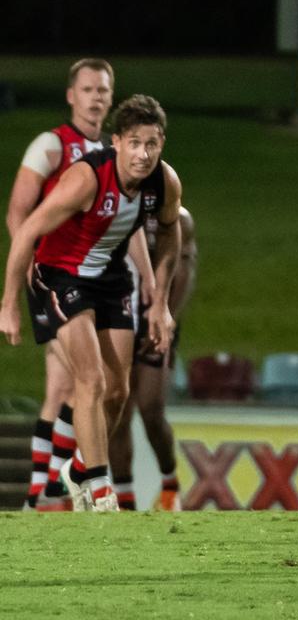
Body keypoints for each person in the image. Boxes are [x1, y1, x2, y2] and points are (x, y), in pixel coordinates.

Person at [2, 94, 183, 513]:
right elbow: (28, 231)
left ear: (161, 144)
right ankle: (101, 491)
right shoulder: (85, 179)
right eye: (135, 143)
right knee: (91, 380)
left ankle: (79, 468)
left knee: (119, 391)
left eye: (152, 144)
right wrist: (9, 302)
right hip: (59, 274)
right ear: (117, 141)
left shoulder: (165, 182)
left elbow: (170, 234)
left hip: (111, 276)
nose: (143, 154)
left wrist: (160, 302)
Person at [6, 58, 115, 510]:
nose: (96, 98)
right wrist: (28, 261)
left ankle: (45, 489)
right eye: (88, 89)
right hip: (52, 276)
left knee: (66, 385)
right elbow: (17, 209)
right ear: (72, 95)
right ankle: (48, 487)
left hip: (85, 277)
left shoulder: (112, 149)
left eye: (103, 90)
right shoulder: (52, 145)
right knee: (71, 383)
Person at [108, 206, 196, 510]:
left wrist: (166, 316)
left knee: (150, 408)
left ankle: (170, 482)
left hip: (158, 319)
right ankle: (125, 499)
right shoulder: (115, 206)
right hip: (117, 314)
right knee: (118, 408)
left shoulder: (175, 216)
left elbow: (184, 271)